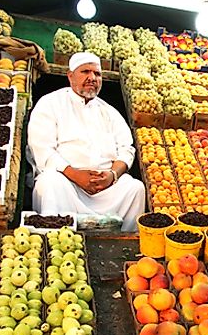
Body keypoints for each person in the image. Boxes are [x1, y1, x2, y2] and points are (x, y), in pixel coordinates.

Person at [27, 52, 146, 231]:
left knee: (135, 188)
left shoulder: (109, 112)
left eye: (97, 74)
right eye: (85, 72)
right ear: (70, 76)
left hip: (105, 186)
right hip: (67, 183)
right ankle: (53, 244)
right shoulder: (50, 103)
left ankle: (122, 246)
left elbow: (126, 149)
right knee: (49, 182)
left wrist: (112, 175)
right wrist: (75, 175)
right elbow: (42, 149)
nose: (92, 78)